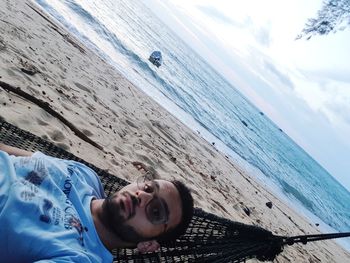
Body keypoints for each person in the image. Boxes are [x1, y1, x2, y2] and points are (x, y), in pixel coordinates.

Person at [0, 143, 194, 262]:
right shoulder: (86, 176)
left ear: (149, 243)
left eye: (156, 212)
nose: (142, 196)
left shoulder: (80, 256)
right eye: (148, 187)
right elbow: (8, 151)